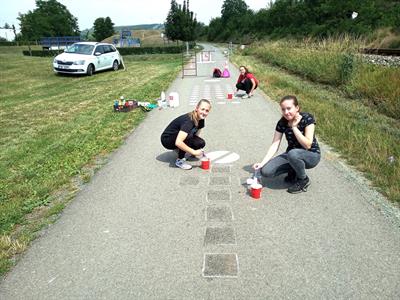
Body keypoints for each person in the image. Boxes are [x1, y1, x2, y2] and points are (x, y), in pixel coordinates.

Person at [253, 95, 321, 193]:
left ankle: (303, 179)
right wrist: (262, 163)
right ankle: (294, 171)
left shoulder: (307, 118)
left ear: (297, 108)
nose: (286, 112)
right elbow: (275, 145)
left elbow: (308, 145)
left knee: (293, 153)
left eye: (289, 108)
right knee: (266, 171)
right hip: (291, 155)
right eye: (283, 109)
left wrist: (294, 127)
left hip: (311, 155)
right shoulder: (282, 123)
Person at [161, 99, 212, 170]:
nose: (204, 112)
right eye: (202, 109)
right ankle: (179, 161)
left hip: (177, 137)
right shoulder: (189, 120)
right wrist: (193, 151)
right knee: (188, 136)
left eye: (207, 110)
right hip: (167, 139)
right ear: (197, 108)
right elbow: (178, 142)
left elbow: (196, 135)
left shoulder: (201, 119)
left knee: (200, 143)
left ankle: (181, 149)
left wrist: (195, 147)